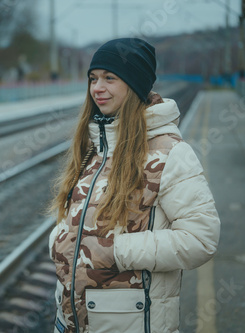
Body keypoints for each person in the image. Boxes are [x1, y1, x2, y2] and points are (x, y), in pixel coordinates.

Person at [48, 37, 220, 333]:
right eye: (93, 78)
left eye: (109, 78)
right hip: (71, 322)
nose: (97, 88)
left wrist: (116, 251)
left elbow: (201, 239)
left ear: (134, 84)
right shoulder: (96, 146)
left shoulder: (170, 153)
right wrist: (60, 239)